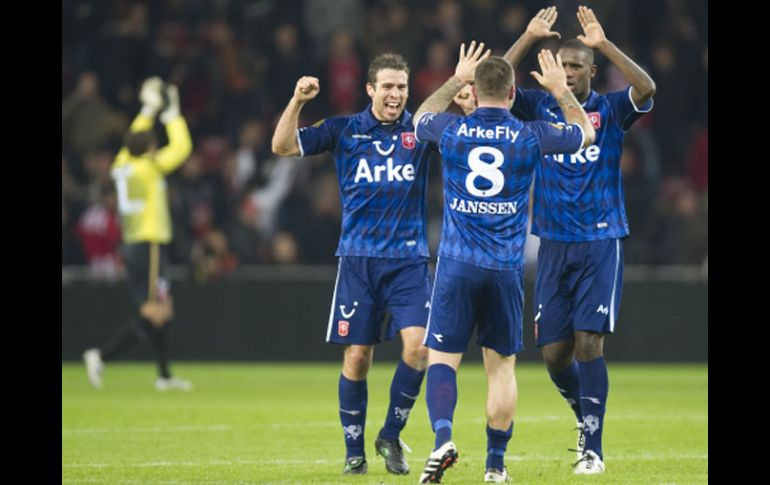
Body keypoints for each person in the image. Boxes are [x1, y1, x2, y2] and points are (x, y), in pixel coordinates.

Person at [413, 41, 596, 483]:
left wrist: (456, 78)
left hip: (457, 264)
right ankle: (495, 467)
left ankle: (442, 439)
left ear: (474, 93)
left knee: (442, 358)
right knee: (502, 368)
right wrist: (558, 90)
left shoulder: (453, 131)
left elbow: (419, 118)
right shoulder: (529, 134)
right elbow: (585, 132)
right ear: (513, 93)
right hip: (505, 269)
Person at [503, 5, 656, 474]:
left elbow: (647, 88)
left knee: (589, 342)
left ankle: (594, 447)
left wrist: (604, 43)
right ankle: (584, 414)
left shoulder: (610, 110)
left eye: (576, 67)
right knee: (554, 356)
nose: (568, 74)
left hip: (600, 240)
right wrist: (528, 38)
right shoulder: (537, 104)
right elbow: (491, 85)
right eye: (563, 66)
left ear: (592, 71)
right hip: (552, 242)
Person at [271, 54, 437, 476]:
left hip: (408, 261)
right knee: (358, 357)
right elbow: (282, 146)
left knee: (419, 349)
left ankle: (390, 435)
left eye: (401, 86)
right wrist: (297, 101)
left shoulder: (421, 131)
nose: (395, 94)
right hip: (358, 262)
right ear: (370, 90)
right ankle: (354, 452)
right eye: (387, 86)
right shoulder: (344, 130)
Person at [83, 77, 194, 392]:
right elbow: (183, 148)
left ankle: (164, 375)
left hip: (133, 243)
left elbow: (133, 137)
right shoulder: (149, 167)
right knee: (154, 311)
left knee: (163, 309)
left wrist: (148, 108)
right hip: (148, 244)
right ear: (148, 149)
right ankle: (101, 356)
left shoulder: (122, 163)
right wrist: (171, 113)